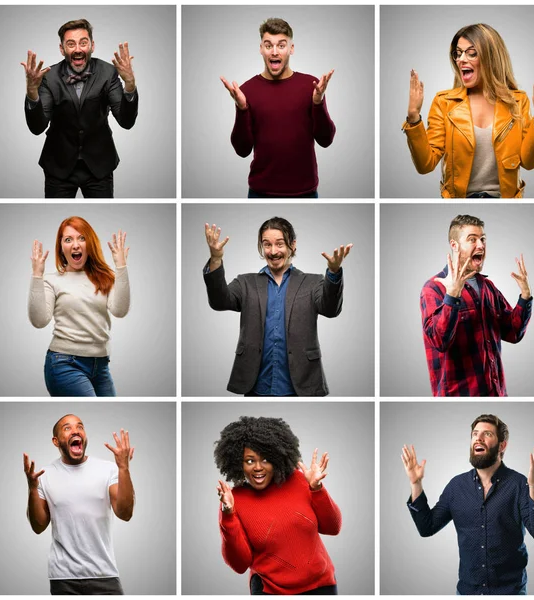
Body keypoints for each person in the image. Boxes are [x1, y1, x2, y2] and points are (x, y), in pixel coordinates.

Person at [402, 414, 534, 595]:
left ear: (502, 445)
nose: (478, 438)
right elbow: (427, 527)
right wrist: (416, 484)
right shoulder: (456, 487)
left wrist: (533, 485)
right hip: (467, 592)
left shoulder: (519, 484)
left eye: (487, 434)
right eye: (474, 434)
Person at [203, 217, 352, 396]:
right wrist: (216, 259)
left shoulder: (312, 282)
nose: (273, 251)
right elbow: (219, 302)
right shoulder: (245, 282)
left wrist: (333, 272)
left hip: (302, 384)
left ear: (292, 245)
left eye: (280, 244)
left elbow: (331, 310)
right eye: (267, 245)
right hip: (255, 384)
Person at [402, 23, 534, 198]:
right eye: (458, 53)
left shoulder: (517, 102)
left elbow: (529, 162)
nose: (461, 59)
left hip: (505, 200)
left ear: (491, 57)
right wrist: (413, 117)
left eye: (471, 53)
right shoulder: (444, 103)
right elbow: (425, 165)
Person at [215, 416, 342, 595]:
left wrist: (317, 489)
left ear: (276, 458)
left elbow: (333, 527)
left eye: (265, 459)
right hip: (272, 591)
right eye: (250, 461)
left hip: (322, 586)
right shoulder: (235, 501)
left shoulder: (298, 480)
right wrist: (228, 515)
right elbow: (239, 564)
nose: (258, 467)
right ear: (239, 463)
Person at [22, 19, 139, 198]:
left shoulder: (108, 73)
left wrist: (129, 84)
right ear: (62, 49)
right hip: (58, 165)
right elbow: (37, 127)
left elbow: (126, 121)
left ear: (92, 45)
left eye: (83, 43)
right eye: (71, 44)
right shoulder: (49, 77)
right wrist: (32, 91)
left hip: (99, 165)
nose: (78, 49)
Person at [220, 18, 336, 198]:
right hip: (260, 192)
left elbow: (326, 139)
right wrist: (241, 108)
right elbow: (242, 150)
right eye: (268, 45)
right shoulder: (247, 90)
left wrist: (318, 103)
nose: (274, 52)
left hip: (305, 192)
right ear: (261, 49)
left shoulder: (311, 86)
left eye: (281, 46)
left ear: (291, 49)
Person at [23, 413, 135, 595]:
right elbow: (38, 526)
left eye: (80, 427)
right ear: (56, 441)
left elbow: (125, 513)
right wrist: (32, 488)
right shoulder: (45, 475)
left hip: (104, 575)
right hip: (63, 579)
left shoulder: (108, 469)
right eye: (67, 428)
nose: (76, 430)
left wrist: (124, 468)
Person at [421, 214, 532, 396]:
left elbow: (513, 332)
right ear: (454, 245)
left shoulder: (488, 287)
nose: (480, 245)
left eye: (482, 239)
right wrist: (452, 296)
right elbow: (440, 342)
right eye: (472, 239)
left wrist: (525, 297)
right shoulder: (433, 288)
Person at [28, 216, 130, 396]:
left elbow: (120, 311)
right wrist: (37, 275)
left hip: (101, 366)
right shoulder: (51, 280)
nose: (75, 245)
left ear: (90, 243)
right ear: (61, 247)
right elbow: (39, 321)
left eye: (81, 238)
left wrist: (121, 266)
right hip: (64, 363)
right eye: (68, 239)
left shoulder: (105, 277)